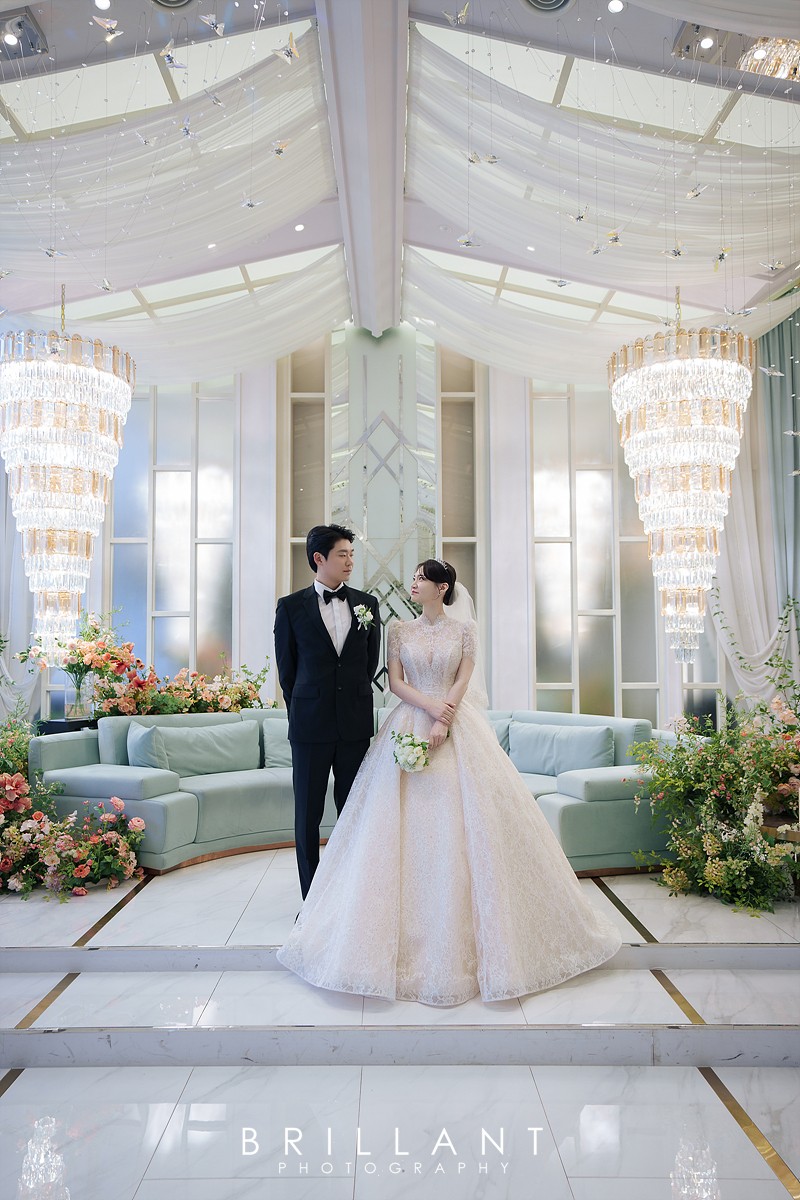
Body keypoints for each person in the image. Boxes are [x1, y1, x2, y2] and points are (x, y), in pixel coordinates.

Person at [277, 558, 622, 1006]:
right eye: (414, 577)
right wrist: (429, 708)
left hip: (457, 726)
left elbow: (463, 677)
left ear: (442, 588)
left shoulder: (464, 631)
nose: (414, 583)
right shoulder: (399, 629)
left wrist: (446, 716)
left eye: (421, 578)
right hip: (410, 720)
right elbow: (394, 682)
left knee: (464, 825)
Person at [273, 524, 380, 899]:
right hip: (309, 727)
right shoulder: (290, 607)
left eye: (352, 554)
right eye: (342, 554)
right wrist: (304, 713)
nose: (350, 561)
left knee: (354, 813)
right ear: (319, 558)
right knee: (307, 815)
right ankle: (312, 900)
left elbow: (368, 665)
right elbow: (287, 673)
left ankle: (348, 898)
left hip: (354, 726)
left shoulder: (368, 604)